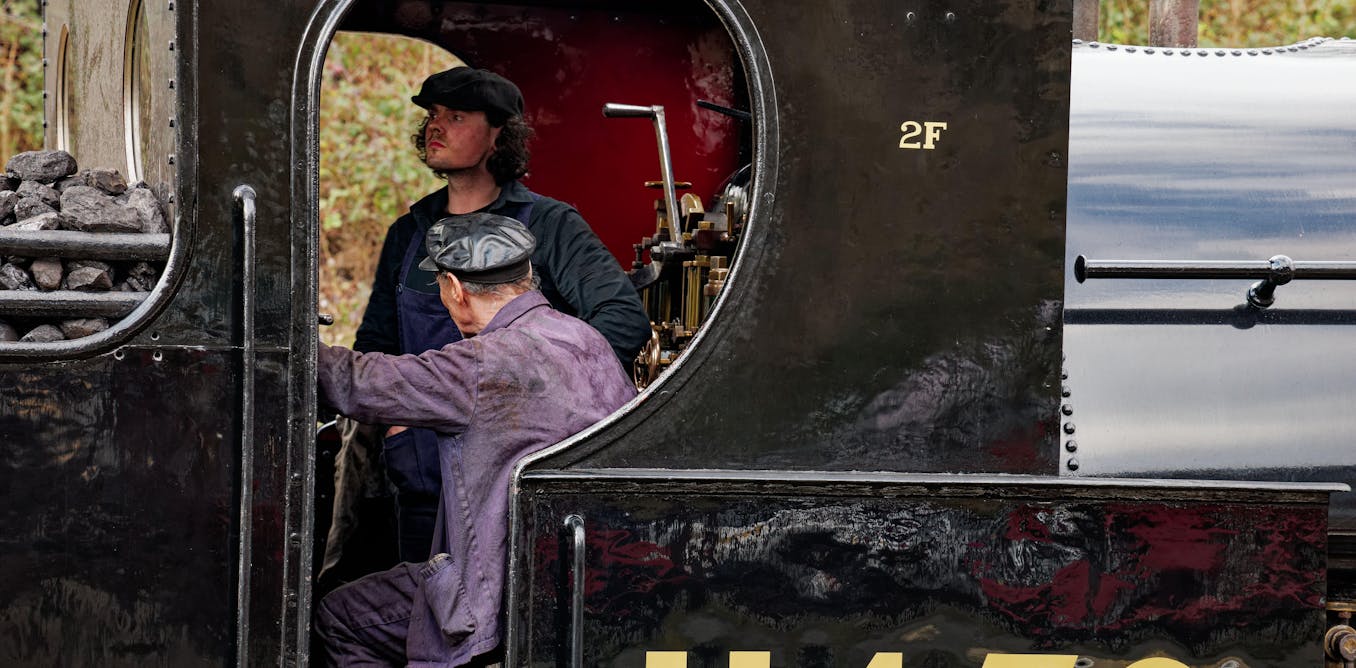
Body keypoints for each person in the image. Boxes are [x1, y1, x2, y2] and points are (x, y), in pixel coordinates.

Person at [329, 66, 651, 571]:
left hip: (516, 482)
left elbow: (622, 318)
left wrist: (547, 406)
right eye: (432, 115)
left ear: (499, 133)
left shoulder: (550, 224)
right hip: (421, 473)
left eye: (455, 116)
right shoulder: (409, 233)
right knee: (418, 615)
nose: (435, 126)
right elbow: (377, 343)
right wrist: (396, 426)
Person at [314, 214, 636, 666]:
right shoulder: (589, 342)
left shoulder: (480, 366)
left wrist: (284, 343)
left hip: (486, 601)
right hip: (581, 589)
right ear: (526, 277)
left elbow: (360, 383)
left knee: (340, 617)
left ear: (453, 288)